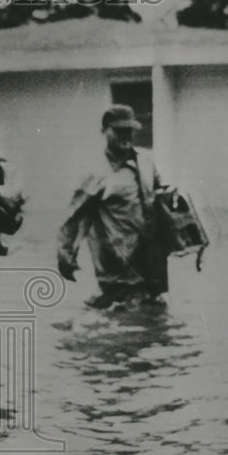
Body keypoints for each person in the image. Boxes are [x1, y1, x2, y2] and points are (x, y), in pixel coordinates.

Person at [57, 104, 170, 308]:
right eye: (119, 131)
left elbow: (159, 195)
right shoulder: (96, 171)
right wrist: (65, 256)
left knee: (155, 315)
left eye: (129, 131)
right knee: (126, 319)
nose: (126, 136)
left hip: (152, 263)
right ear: (104, 131)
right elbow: (73, 217)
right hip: (119, 265)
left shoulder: (146, 161)